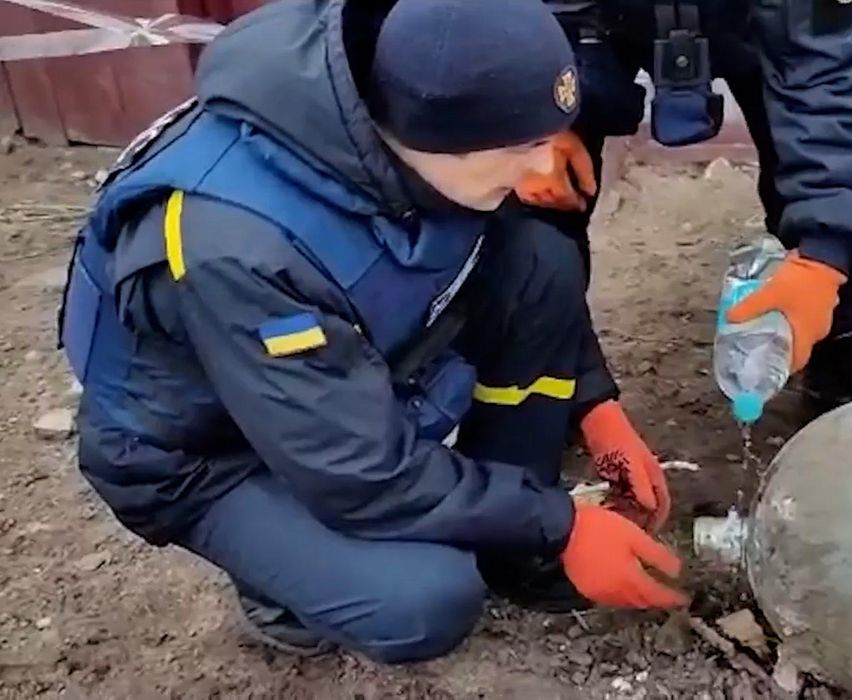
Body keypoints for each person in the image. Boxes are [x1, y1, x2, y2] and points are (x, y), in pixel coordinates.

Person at [56, 0, 688, 665]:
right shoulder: (236, 242)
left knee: (540, 259)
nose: (539, 170)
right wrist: (563, 524)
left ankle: (512, 547)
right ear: (430, 134)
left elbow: (514, 265)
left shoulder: (401, 117)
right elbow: (359, 472)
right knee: (422, 599)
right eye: (520, 148)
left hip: (321, 381)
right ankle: (282, 589)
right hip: (204, 453)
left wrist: (595, 407)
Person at [522, 0, 852, 416]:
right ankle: (551, 391)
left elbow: (825, 69)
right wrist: (530, 118)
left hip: (754, 23)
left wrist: (826, 255)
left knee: (817, 190)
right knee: (535, 199)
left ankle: (833, 369)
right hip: (582, 26)